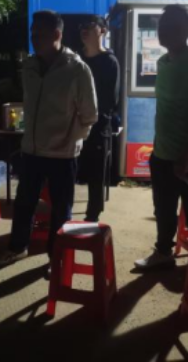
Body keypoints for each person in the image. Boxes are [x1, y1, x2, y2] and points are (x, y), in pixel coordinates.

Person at [0, 10, 98, 267]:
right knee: (24, 203)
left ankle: (57, 257)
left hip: (62, 154)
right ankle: (18, 247)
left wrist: (70, 141)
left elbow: (90, 115)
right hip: (31, 150)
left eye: (39, 33)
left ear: (57, 34)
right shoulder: (29, 67)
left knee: (61, 208)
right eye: (32, 32)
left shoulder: (77, 69)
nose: (34, 37)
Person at [134, 5, 188, 270]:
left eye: (170, 26)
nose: (163, 31)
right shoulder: (163, 62)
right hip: (162, 153)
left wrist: (186, 157)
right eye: (161, 25)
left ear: (186, 30)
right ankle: (163, 253)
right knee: (163, 210)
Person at [78, 15, 120, 222]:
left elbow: (111, 100)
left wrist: (89, 114)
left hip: (98, 125)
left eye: (90, 25)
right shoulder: (76, 60)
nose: (84, 30)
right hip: (74, 123)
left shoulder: (109, 62)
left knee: (96, 175)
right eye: (82, 26)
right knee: (70, 169)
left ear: (103, 31)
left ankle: (92, 216)